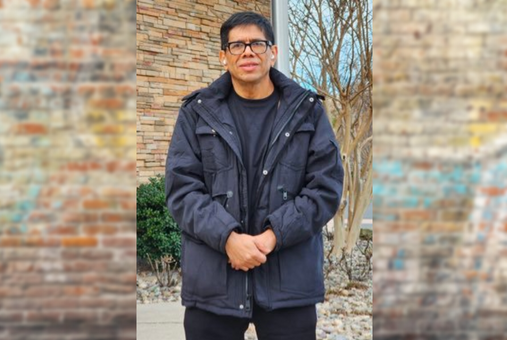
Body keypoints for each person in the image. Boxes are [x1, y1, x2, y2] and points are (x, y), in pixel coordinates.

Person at [165, 11, 344, 340]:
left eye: (257, 44)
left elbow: (325, 188)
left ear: (273, 52)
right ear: (223, 56)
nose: (248, 52)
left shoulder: (307, 111)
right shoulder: (196, 113)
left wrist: (271, 237)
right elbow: (182, 191)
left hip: (288, 281)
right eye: (237, 45)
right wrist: (229, 239)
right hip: (214, 284)